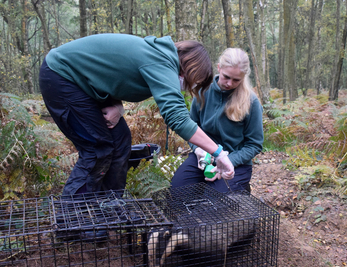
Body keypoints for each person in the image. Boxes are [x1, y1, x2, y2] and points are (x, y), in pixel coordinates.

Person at [39, 33, 234, 195]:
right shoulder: (162, 62)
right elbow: (177, 117)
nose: (187, 88)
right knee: (97, 149)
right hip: (61, 75)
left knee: (120, 139)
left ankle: (108, 209)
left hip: (82, 82)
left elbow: (113, 73)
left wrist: (118, 106)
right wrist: (218, 152)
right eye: (193, 83)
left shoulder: (158, 57)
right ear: (190, 69)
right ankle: (73, 221)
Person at [170, 48, 264, 193]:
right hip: (203, 158)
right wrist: (198, 149)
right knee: (177, 192)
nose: (229, 83)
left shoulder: (251, 102)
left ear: (244, 77)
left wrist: (229, 161)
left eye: (236, 80)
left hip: (235, 163)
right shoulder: (202, 92)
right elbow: (191, 128)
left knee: (213, 204)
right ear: (219, 68)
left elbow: (254, 144)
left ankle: (241, 189)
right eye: (226, 76)